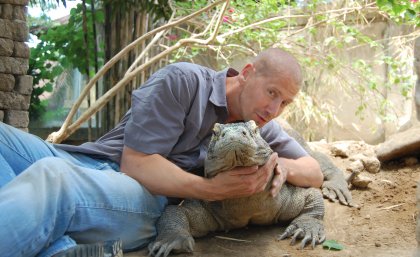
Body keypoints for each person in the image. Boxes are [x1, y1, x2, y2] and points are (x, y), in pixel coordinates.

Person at [0, 48, 323, 257]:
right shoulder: (183, 81)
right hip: (94, 163)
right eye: (272, 93)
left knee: (53, 182)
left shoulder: (259, 126)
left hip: (142, 196)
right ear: (248, 72)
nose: (275, 108)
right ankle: (57, 247)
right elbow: (137, 162)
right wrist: (210, 190)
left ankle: (40, 230)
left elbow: (314, 171)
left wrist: (279, 162)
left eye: (285, 103)